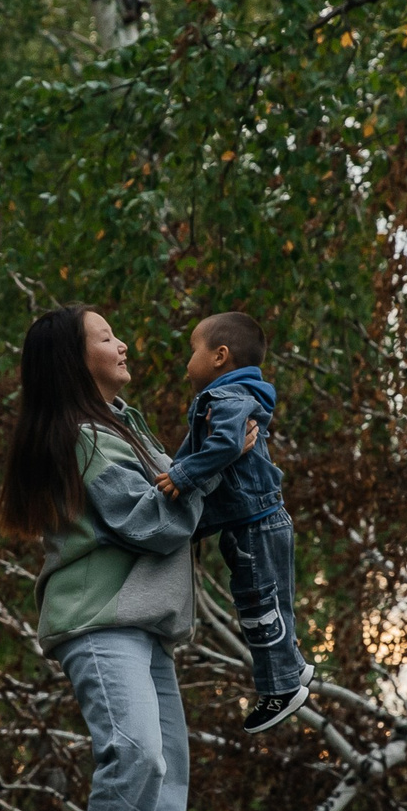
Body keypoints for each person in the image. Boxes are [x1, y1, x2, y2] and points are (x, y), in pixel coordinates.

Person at [0, 304, 251, 811]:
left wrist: (223, 460)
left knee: (167, 761)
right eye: (106, 337)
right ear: (73, 361)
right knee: (136, 753)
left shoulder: (122, 426)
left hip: (142, 621)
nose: (124, 342)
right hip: (100, 619)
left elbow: (180, 498)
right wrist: (210, 468)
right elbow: (151, 522)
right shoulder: (84, 439)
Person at [151, 311, 310, 733]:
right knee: (272, 601)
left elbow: (224, 444)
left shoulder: (226, 399)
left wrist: (182, 478)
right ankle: (291, 667)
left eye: (192, 352)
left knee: (258, 605)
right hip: (259, 519)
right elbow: (206, 448)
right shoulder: (233, 396)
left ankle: (280, 688)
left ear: (219, 356)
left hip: (254, 523)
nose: (187, 363)